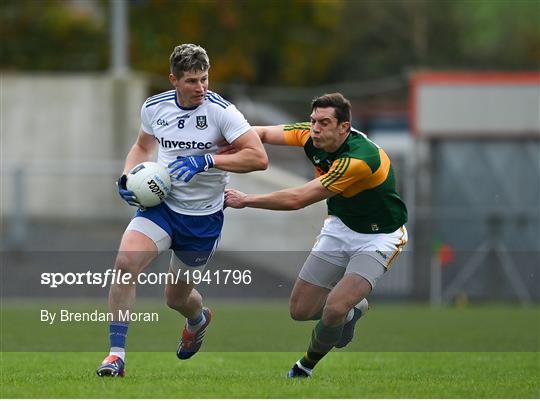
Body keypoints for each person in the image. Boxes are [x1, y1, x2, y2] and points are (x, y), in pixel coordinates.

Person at [96, 44, 268, 377]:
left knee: (176, 298)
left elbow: (258, 158)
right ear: (173, 80)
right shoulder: (154, 107)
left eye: (204, 79)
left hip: (202, 219)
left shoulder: (222, 112)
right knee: (124, 264)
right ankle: (116, 356)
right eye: (191, 81)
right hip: (161, 207)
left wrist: (209, 159)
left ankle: (198, 318)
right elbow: (143, 146)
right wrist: (128, 176)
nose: (201, 87)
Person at [225, 93, 407, 378]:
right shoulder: (309, 135)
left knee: (333, 307)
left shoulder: (359, 159)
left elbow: (298, 198)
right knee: (300, 310)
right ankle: (352, 310)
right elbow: (258, 132)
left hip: (379, 237)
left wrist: (247, 199)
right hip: (340, 227)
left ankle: (305, 365)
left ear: (344, 128)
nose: (315, 129)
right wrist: (220, 142)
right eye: (313, 121)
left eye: (324, 123)